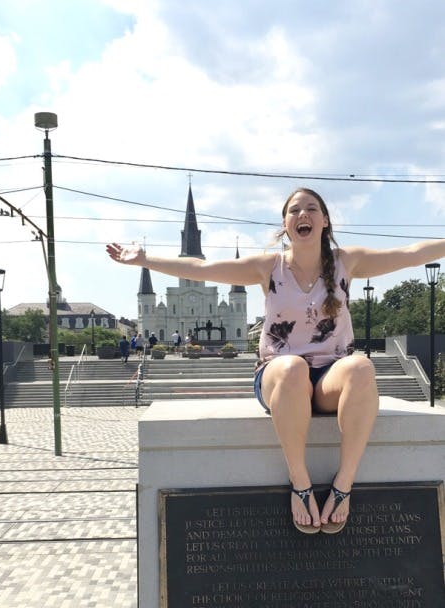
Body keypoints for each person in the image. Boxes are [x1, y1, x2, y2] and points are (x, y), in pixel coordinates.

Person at [106, 188, 445, 535]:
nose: (303, 214)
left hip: (331, 376)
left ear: (324, 221)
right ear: (285, 224)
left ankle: (343, 486)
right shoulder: (268, 267)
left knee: (360, 366)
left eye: (312, 208)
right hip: (280, 374)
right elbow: (202, 266)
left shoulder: (347, 261)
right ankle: (301, 483)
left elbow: (409, 253)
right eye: (294, 210)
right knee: (292, 367)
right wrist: (145, 259)